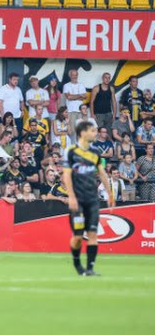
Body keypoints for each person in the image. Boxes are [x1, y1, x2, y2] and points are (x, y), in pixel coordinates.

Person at [63, 121, 115, 276]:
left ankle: (90, 268)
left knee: (93, 234)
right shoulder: (71, 151)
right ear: (83, 133)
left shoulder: (96, 152)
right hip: (77, 201)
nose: (95, 133)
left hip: (92, 200)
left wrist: (110, 193)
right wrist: (71, 196)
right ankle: (77, 264)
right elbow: (66, 175)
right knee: (78, 237)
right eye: (92, 131)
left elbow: (102, 174)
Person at [62, 69, 87, 143]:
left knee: (80, 130)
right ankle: (72, 146)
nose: (74, 76)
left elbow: (85, 96)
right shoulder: (66, 85)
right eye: (73, 75)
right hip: (70, 110)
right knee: (71, 131)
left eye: (76, 75)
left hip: (80, 111)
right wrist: (80, 95)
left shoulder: (81, 84)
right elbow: (68, 97)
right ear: (70, 76)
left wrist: (73, 96)